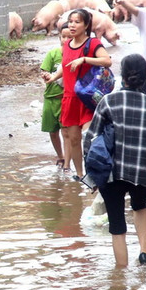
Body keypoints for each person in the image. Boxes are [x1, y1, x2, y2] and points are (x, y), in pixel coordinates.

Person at [83, 54, 146, 267]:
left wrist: (92, 177)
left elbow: (91, 139)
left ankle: (120, 278)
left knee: (117, 226)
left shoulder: (108, 101)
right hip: (142, 170)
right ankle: (145, 252)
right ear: (144, 77)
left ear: (123, 76)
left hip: (111, 173)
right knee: (140, 207)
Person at [45, 9, 113, 180]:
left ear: (86, 25)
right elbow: (65, 65)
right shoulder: (67, 45)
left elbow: (107, 60)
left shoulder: (93, 43)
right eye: (71, 21)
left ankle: (95, 172)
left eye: (77, 22)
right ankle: (81, 175)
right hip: (70, 97)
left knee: (89, 138)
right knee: (74, 139)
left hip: (88, 98)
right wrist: (53, 77)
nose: (73, 25)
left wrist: (84, 59)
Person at [40, 24, 72, 170]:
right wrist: (46, 75)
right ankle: (60, 156)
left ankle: (67, 163)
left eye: (69, 37)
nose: (66, 40)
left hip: (65, 98)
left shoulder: (75, 56)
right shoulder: (53, 54)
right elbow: (44, 71)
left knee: (66, 131)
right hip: (50, 97)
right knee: (52, 131)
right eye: (63, 36)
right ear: (59, 37)